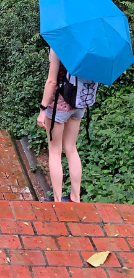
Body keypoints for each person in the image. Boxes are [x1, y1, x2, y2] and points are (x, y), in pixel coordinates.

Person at [37, 49, 87, 202]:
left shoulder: (59, 43)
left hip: (58, 105)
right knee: (71, 149)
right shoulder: (86, 43)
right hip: (79, 103)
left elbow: (52, 81)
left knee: (54, 152)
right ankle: (75, 197)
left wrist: (43, 108)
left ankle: (58, 201)